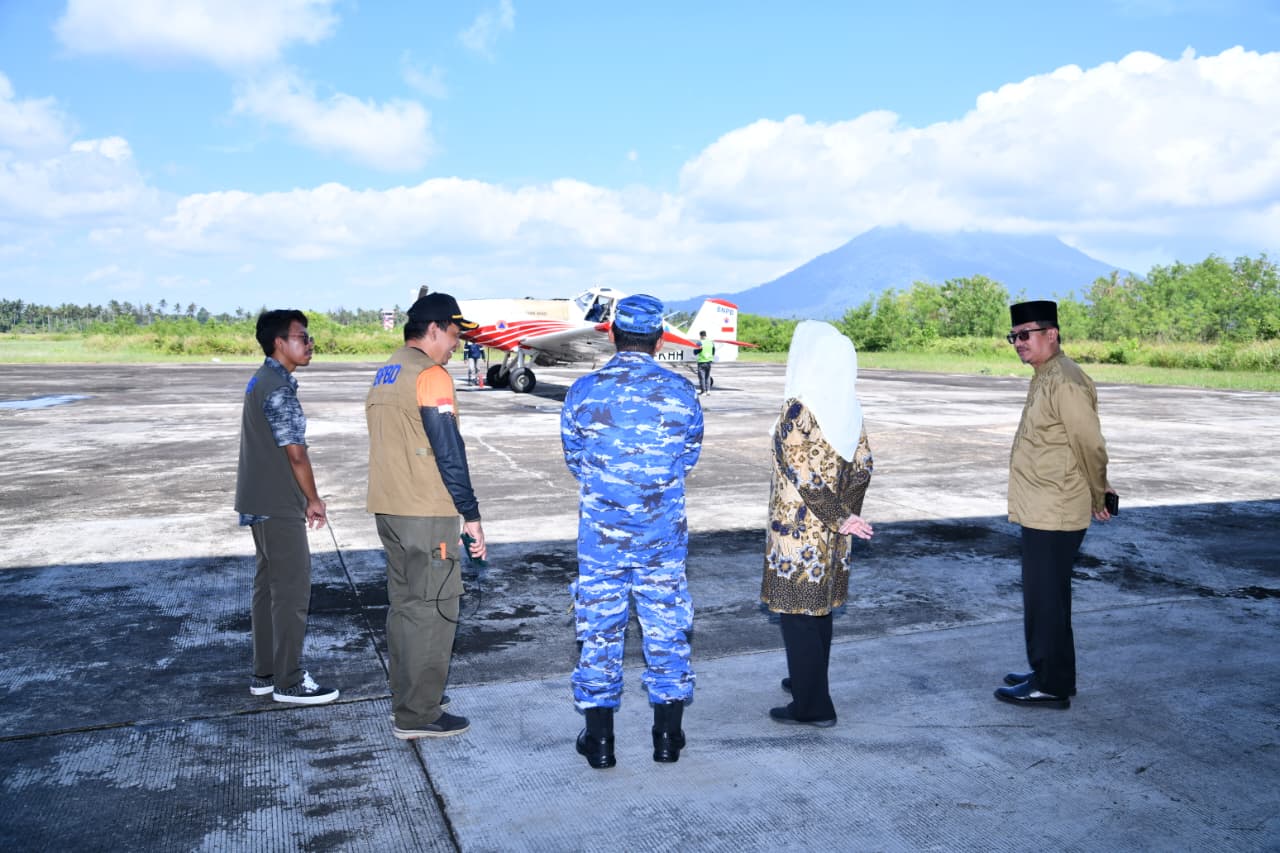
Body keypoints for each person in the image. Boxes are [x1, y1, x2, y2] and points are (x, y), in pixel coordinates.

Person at [560, 294, 704, 768]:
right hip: (661, 538)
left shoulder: (584, 391)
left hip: (602, 539)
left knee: (600, 633)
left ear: (612, 334)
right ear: (659, 338)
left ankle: (600, 742)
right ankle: (667, 738)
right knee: (666, 631)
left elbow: (576, 461)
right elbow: (687, 458)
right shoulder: (681, 392)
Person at [365, 292, 488, 739]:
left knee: (405, 606)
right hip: (424, 511)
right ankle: (419, 713)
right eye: (454, 334)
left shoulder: (388, 370)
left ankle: (410, 694)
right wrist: (470, 514)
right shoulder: (431, 376)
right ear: (434, 329)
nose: (457, 344)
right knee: (435, 608)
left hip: (389, 506)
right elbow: (448, 450)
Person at [997, 300, 1116, 710]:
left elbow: (1089, 444)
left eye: (1025, 334)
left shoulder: (1064, 380)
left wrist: (1099, 493)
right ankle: (1051, 672)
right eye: (1014, 336)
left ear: (1052, 334)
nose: (1018, 342)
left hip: (1056, 509)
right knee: (1048, 598)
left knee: (1045, 601)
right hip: (1044, 506)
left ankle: (1050, 685)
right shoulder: (1046, 374)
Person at [761, 321, 873, 728]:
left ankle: (812, 706)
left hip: (798, 534)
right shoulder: (849, 407)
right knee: (819, 610)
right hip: (834, 534)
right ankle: (806, 680)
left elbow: (802, 473)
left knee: (798, 614)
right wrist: (847, 518)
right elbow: (864, 466)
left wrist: (841, 517)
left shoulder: (799, 409)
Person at [234, 309, 339, 705]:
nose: (310, 344)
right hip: (278, 503)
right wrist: (313, 499)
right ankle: (289, 681)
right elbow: (296, 453)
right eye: (302, 337)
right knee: (292, 591)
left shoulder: (262, 379)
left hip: (257, 498)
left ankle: (265, 673)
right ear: (280, 342)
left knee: (268, 589)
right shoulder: (278, 387)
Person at [694, 329, 714, 395]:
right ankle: (708, 391)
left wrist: (698, 350)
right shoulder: (711, 342)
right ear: (705, 335)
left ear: (701, 336)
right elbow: (713, 351)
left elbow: (695, 352)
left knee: (702, 378)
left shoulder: (700, 343)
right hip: (709, 362)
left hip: (702, 362)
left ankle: (703, 391)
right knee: (707, 377)